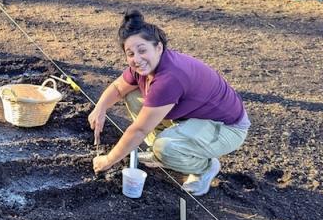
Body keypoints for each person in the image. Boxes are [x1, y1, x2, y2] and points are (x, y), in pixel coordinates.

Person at [89, 10, 250, 196]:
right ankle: (160, 150)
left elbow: (139, 130)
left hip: (226, 128)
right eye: (130, 53)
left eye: (142, 50)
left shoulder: (169, 78)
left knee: (167, 148)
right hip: (193, 117)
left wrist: (108, 160)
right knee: (133, 95)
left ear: (158, 47)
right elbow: (118, 88)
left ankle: (204, 168)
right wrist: (100, 108)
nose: (136, 59)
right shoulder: (143, 67)